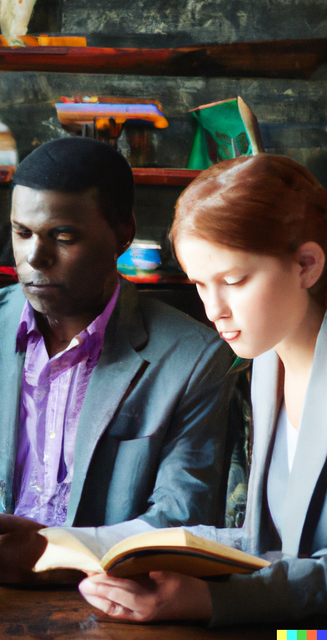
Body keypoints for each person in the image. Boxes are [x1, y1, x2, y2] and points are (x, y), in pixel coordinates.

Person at [0, 137, 236, 581]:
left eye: (63, 237)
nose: (34, 258)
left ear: (123, 234)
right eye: (21, 232)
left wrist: (58, 552)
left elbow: (182, 520)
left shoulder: (192, 358)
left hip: (110, 600)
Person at [79, 153, 327, 626]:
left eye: (233, 281)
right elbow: (269, 544)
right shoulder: (268, 364)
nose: (214, 310)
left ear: (306, 264)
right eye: (199, 284)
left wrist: (216, 601)